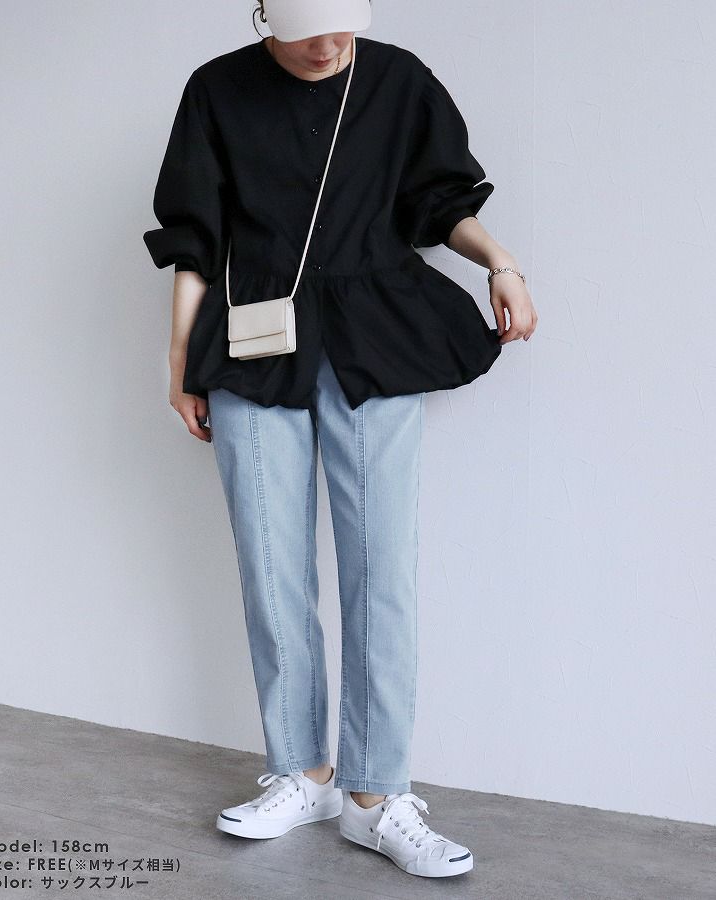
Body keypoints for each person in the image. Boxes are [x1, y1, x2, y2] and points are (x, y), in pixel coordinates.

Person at [143, 0, 537, 880]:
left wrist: (501, 263)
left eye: (344, 26)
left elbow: (440, 201)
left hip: (376, 340)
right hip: (255, 344)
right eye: (307, 30)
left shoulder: (396, 79)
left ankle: (375, 796)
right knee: (270, 567)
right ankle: (303, 773)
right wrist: (178, 362)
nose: (329, 47)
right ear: (263, 16)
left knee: (380, 569)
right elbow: (195, 241)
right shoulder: (217, 91)